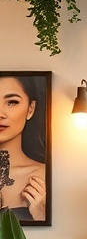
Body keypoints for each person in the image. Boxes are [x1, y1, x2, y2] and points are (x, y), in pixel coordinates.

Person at [0, 75, 47, 222]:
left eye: (12, 102)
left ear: (31, 109)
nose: (0, 114)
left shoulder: (44, 175)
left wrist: (42, 215)